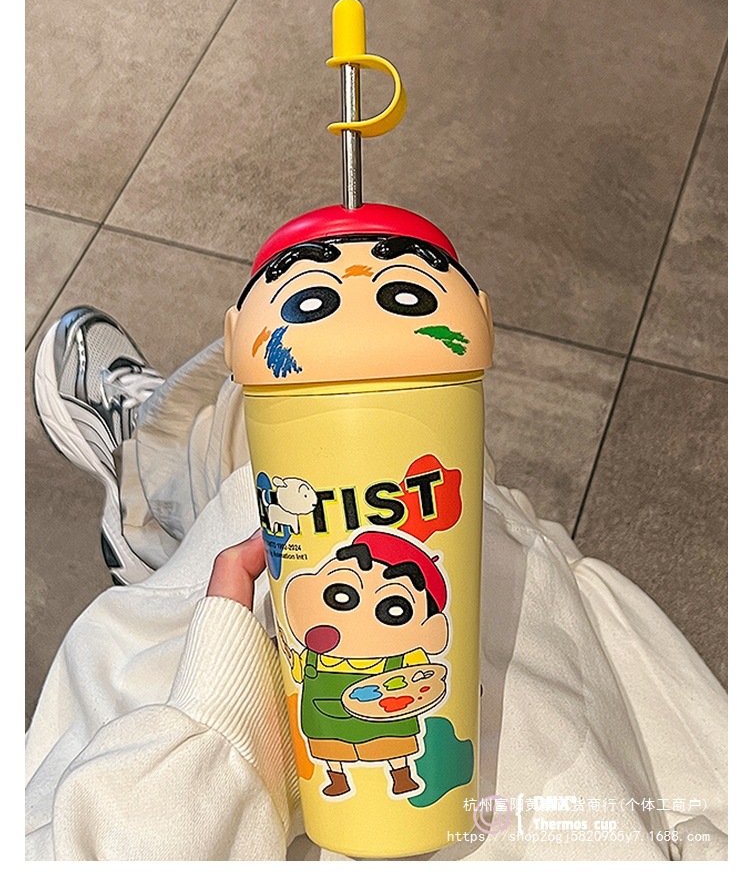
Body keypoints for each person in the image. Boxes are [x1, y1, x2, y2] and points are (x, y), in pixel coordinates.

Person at [26, 305, 728, 861]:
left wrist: (220, 729)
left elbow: (69, 850)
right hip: (565, 757)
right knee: (461, 490)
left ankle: (145, 472)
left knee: (248, 462)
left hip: (242, 761)